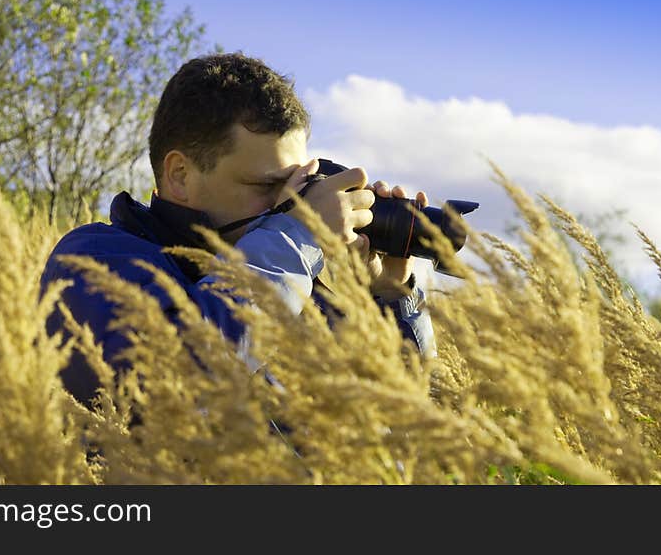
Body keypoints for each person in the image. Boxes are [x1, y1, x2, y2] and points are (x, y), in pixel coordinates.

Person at [40, 53, 435, 406]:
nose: (290, 204)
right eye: (267, 186)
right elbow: (177, 384)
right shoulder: (93, 260)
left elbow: (397, 420)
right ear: (180, 175)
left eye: (298, 184)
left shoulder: (292, 283)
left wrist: (385, 295)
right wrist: (295, 238)